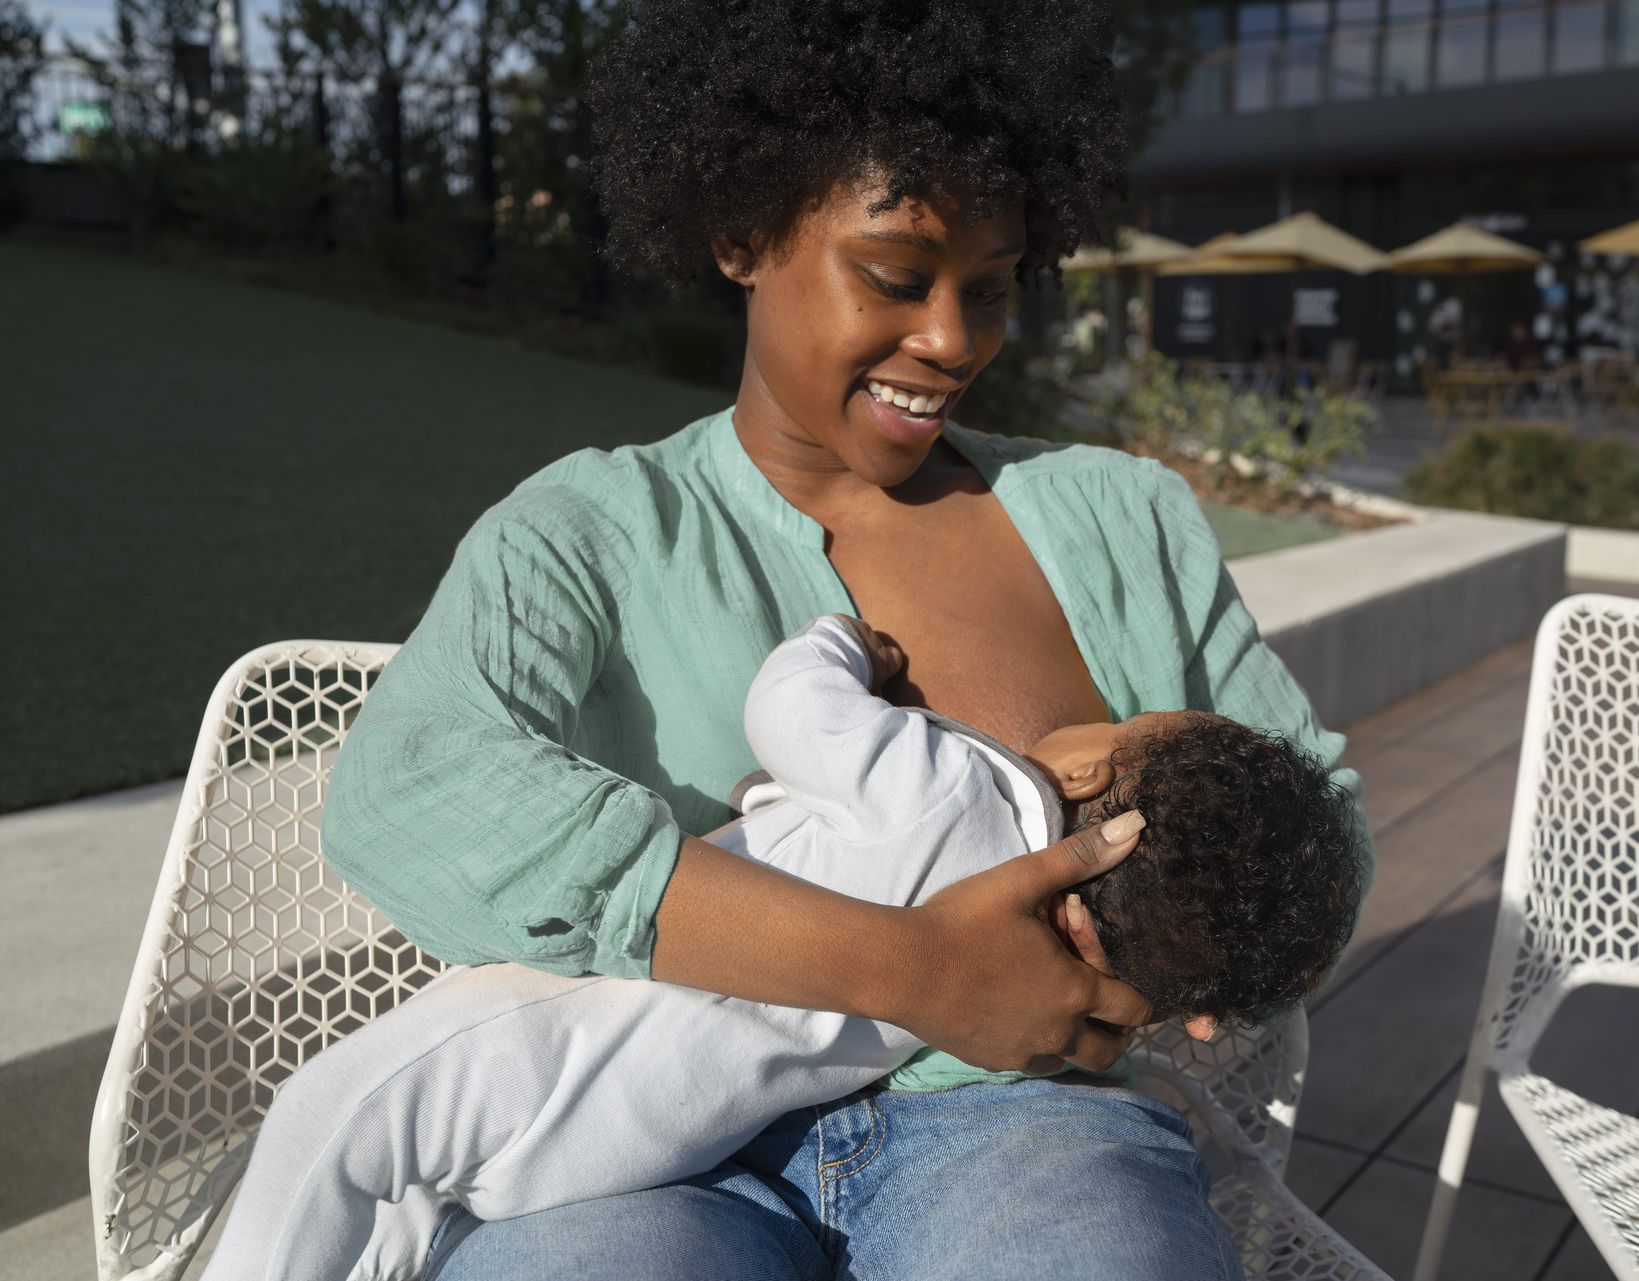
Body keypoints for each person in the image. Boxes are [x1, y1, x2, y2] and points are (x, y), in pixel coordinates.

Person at [314, 1, 1375, 1276]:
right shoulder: (588, 531)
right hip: (636, 1140)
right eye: (896, 274)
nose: (951, 340)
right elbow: (408, 790)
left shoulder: (1119, 518)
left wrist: (1181, 952)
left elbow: (1323, 822)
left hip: (1023, 1122)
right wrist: (909, 969)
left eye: (990, 290)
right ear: (742, 233)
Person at [204, 614, 1368, 1281]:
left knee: (335, 1125)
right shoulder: (1064, 980)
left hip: (557, 1043)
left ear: (1081, 772)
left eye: (1127, 717)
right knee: (397, 1186)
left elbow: (788, 709)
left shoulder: (953, 782)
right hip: (643, 1142)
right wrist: (1191, 976)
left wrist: (836, 648)